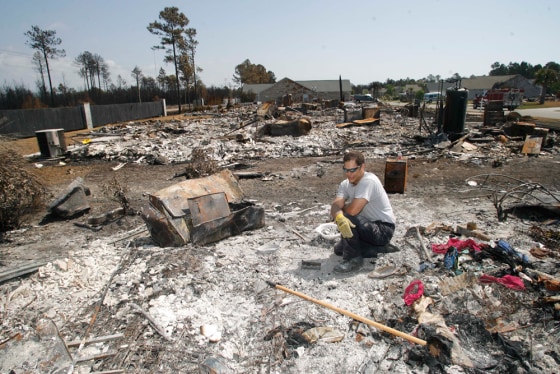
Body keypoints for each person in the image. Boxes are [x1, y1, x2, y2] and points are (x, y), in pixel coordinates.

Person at [330, 151, 396, 273]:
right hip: (366, 227)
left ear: (362, 167)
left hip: (383, 229)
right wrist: (338, 216)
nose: (349, 174)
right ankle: (378, 249)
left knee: (348, 217)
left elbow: (353, 210)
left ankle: (353, 259)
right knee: (339, 250)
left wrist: (341, 211)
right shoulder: (345, 184)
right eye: (346, 170)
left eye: (353, 170)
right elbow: (335, 206)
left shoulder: (369, 181)